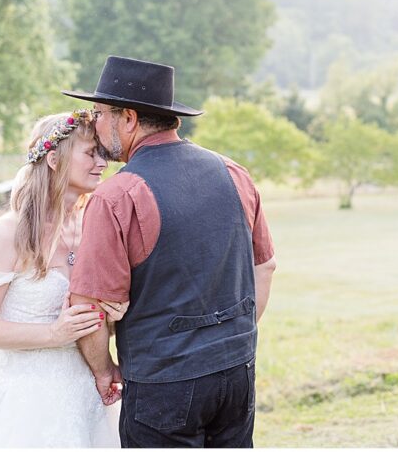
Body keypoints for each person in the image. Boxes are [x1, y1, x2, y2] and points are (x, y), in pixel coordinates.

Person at [62, 56, 277, 447]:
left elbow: (90, 304)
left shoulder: (117, 195)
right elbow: (266, 266)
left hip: (164, 383)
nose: (94, 123)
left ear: (127, 118)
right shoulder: (233, 172)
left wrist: (102, 368)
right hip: (237, 369)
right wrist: (234, 338)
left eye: (98, 113)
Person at [0, 110, 127, 447]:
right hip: (24, 399)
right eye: (90, 153)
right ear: (53, 159)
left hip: (87, 393)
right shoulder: (10, 231)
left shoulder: (92, 225)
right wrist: (53, 333)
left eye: (103, 154)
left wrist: (113, 318)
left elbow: (87, 319)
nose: (102, 163)